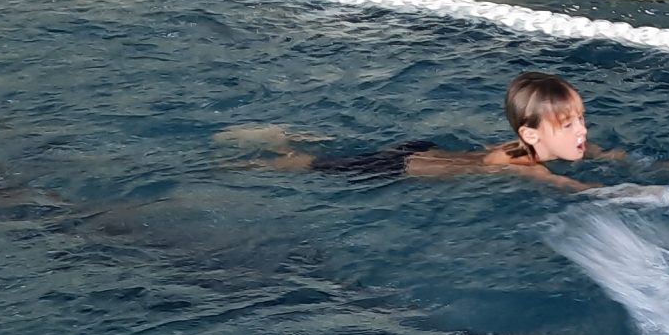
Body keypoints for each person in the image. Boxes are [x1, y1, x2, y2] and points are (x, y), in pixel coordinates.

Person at [225, 71, 624, 189]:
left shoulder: (530, 146)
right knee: (315, 165)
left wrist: (614, 157)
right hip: (397, 167)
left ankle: (287, 140)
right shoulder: (522, 165)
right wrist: (640, 195)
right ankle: (259, 160)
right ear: (531, 135)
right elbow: (572, 188)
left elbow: (594, 151)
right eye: (568, 124)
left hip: (426, 150)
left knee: (338, 153)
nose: (582, 131)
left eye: (581, 119)